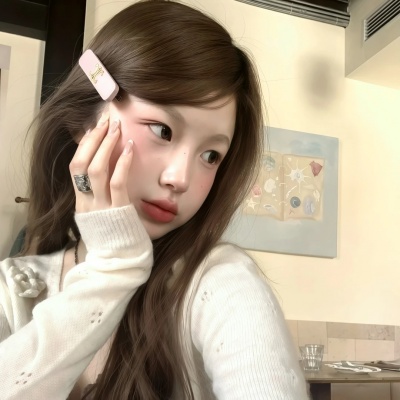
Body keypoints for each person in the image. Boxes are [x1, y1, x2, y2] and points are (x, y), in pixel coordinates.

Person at [0, 1, 309, 399]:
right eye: (162, 130)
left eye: (210, 155)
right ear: (84, 123)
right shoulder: (15, 287)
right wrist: (111, 270)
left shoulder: (219, 280)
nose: (180, 178)